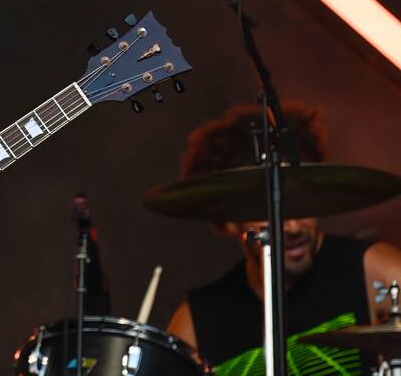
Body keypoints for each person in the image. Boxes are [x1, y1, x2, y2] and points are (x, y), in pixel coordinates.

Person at [166, 103, 401, 375]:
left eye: (301, 204)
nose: (292, 226)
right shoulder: (196, 322)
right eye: (270, 210)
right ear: (229, 221)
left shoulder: (373, 270)